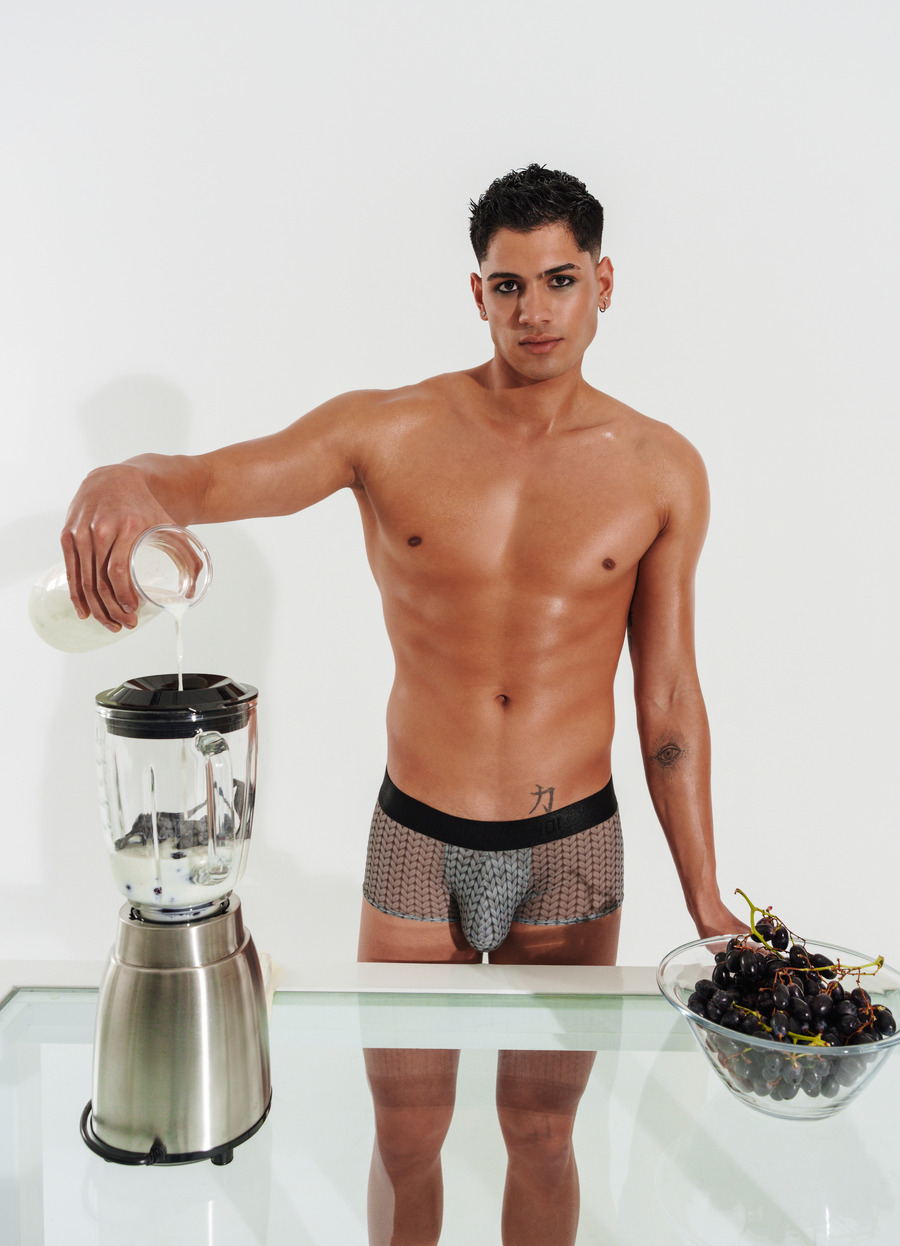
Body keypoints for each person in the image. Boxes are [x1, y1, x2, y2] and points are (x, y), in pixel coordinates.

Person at [62, 165, 745, 1245]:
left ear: (603, 283)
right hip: (418, 836)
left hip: (573, 845)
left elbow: (666, 699)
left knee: (544, 1135)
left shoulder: (662, 469)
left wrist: (706, 900)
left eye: (560, 280)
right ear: (477, 294)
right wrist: (130, 475)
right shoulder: (388, 430)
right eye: (509, 285)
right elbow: (217, 479)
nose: (535, 310)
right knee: (406, 1135)